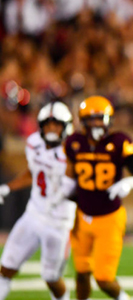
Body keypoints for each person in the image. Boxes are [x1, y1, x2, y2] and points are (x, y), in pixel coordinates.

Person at [64, 96, 133, 300]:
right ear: (83, 120)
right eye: (93, 119)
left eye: (101, 118)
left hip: (109, 218)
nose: (98, 124)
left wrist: (131, 182)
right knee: (81, 273)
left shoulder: (119, 142)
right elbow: (69, 178)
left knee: (104, 278)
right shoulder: (74, 143)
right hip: (81, 216)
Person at [0, 101, 76, 300]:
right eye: (47, 124)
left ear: (66, 126)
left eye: (56, 124)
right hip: (33, 213)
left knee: (51, 277)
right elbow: (33, 173)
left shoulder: (72, 153)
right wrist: (8, 187)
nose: (51, 129)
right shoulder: (34, 142)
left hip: (58, 222)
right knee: (6, 267)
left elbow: (78, 190)